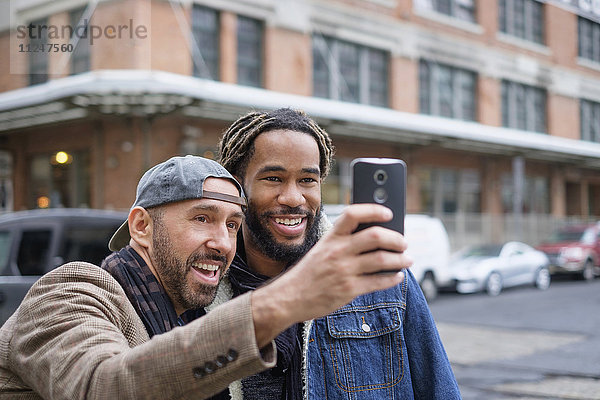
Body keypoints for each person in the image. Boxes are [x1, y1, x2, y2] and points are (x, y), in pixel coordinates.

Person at [0, 155, 411, 399]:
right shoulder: (72, 290)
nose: (222, 243)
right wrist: (286, 299)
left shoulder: (193, 316)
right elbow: (103, 385)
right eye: (202, 219)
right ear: (141, 226)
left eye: (233, 225)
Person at [217, 108, 461, 399]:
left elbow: (439, 389)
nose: (294, 198)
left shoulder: (380, 276)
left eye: (308, 180)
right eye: (273, 178)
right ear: (237, 187)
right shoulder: (206, 288)